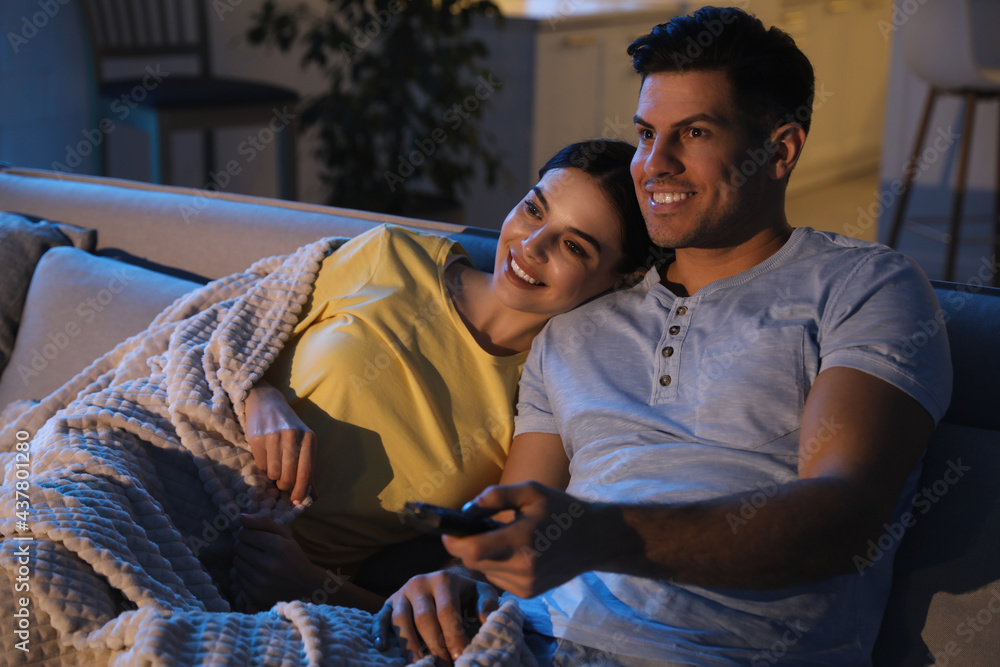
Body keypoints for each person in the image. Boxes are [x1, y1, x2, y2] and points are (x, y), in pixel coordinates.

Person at [375, 6, 953, 665]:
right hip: (515, 639)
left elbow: (845, 521)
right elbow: (510, 526)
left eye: (694, 132)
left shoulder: (865, 287)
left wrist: (604, 534)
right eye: (647, 134)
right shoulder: (577, 322)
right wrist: (459, 579)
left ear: (780, 150)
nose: (654, 163)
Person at [231, 139, 656, 612]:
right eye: (535, 210)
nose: (532, 246)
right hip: (180, 458)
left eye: (574, 246)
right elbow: (220, 341)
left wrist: (310, 586)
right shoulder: (390, 254)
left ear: (625, 279)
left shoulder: (546, 396)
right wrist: (256, 395)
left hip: (272, 585)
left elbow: (480, 582)